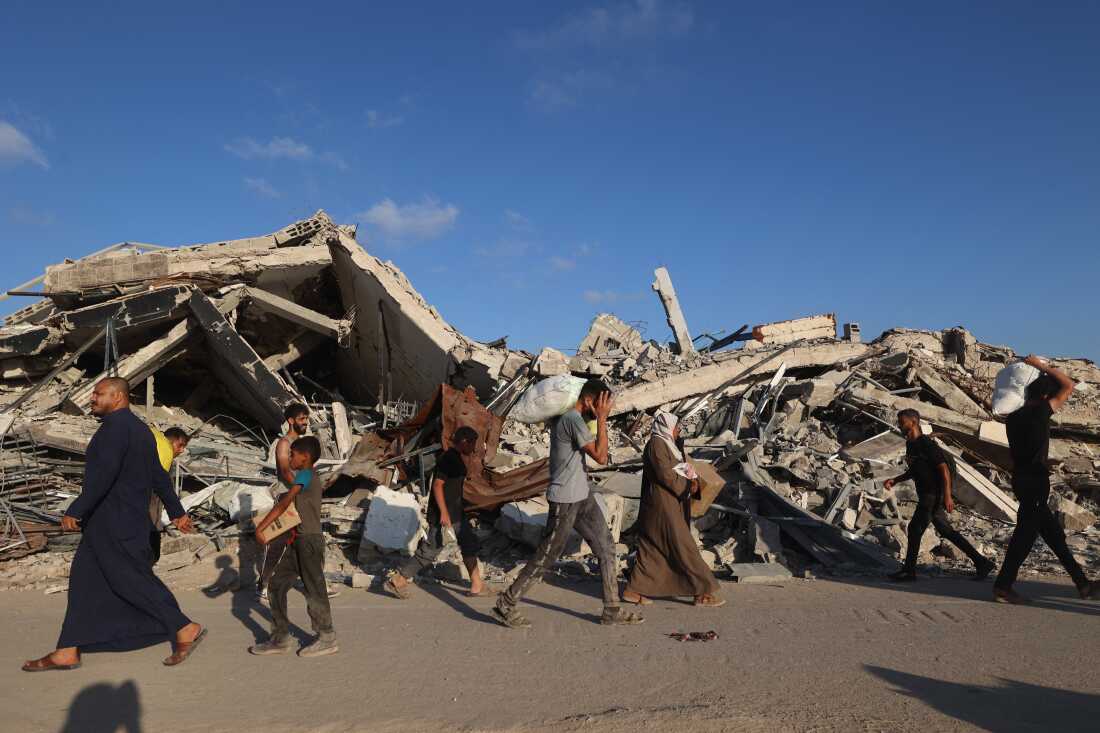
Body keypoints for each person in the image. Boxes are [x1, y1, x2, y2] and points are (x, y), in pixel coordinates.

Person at [22, 377, 205, 672]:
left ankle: (184, 627)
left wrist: (76, 509)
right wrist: (177, 511)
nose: (92, 398)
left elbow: (103, 476)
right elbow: (159, 475)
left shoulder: (115, 429)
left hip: (114, 521)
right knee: (83, 581)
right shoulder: (140, 430)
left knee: (131, 579)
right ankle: (67, 650)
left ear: (118, 397)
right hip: (117, 521)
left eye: (99, 393)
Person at [493, 380, 643, 629]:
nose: (605, 408)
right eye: (601, 404)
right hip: (565, 499)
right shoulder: (571, 420)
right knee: (547, 554)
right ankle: (505, 604)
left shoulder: (577, 420)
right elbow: (601, 456)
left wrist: (599, 417)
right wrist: (602, 419)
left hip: (582, 494)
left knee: (606, 547)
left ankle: (611, 609)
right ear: (589, 401)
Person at [993, 356, 1099, 604]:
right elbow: (1068, 385)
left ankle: (1083, 584)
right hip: (1035, 481)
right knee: (1024, 536)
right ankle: (1003, 587)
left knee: (1053, 535)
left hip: (1021, 478)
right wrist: (1040, 365)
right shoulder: (1040, 412)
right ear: (1044, 396)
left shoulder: (1013, 418)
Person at [622, 411, 724, 607]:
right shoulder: (656, 444)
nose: (677, 431)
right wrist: (687, 486)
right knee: (684, 547)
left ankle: (633, 590)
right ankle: (702, 591)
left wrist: (694, 480)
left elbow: (679, 467)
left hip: (670, 504)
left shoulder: (669, 444)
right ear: (666, 427)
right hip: (662, 506)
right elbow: (665, 474)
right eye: (675, 427)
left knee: (653, 550)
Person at [250, 435, 338, 657]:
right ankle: (280, 638)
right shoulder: (304, 476)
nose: (290, 458)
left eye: (293, 454)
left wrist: (261, 529)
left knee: (314, 590)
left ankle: (326, 637)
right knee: (276, 584)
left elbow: (285, 503)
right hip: (296, 540)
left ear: (305, 457)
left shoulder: (307, 474)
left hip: (309, 541)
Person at [884, 409, 995, 582]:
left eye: (902, 422)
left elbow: (943, 469)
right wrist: (896, 479)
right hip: (925, 494)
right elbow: (915, 469)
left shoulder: (926, 444)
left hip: (932, 495)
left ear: (913, 422)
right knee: (946, 530)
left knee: (914, 529)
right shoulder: (911, 445)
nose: (900, 425)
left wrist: (947, 496)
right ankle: (982, 562)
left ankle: (909, 571)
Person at [385, 426, 487, 599]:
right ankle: (398, 579)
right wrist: (444, 513)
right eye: (472, 443)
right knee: (431, 550)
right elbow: (438, 486)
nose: (473, 447)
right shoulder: (448, 459)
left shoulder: (457, 458)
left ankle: (477, 586)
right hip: (444, 514)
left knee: (469, 543)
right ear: (464, 442)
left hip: (457, 513)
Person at [256, 403, 311, 600]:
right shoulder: (284, 444)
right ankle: (264, 582)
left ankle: (315, 583)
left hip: (301, 497)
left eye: (307, 418)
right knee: (278, 544)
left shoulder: (302, 444)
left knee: (310, 540)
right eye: (302, 419)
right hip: (286, 497)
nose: (306, 422)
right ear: (291, 420)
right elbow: (286, 470)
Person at [148, 426, 190, 565]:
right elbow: (163, 487)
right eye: (180, 445)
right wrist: (177, 513)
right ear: (170, 441)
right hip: (144, 522)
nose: (182, 450)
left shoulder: (164, 459)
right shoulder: (161, 457)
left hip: (153, 522)